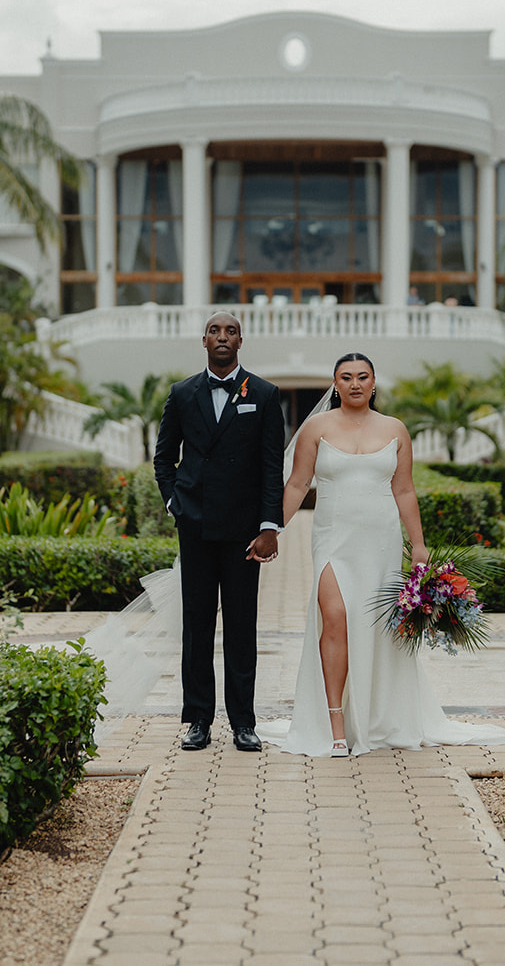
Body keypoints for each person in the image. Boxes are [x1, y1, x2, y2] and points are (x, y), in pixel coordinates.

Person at [257, 354, 505, 758]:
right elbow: (296, 484)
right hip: (331, 538)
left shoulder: (395, 429)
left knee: (378, 628)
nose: (355, 384)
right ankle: (335, 724)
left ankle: (378, 714)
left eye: (362, 377)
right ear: (335, 384)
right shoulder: (316, 427)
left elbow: (404, 490)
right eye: (346, 377)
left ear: (374, 383)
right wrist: (271, 530)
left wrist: (418, 546)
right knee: (334, 617)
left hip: (380, 541)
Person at [152, 312, 285, 752]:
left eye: (230, 331)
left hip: (246, 533)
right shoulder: (182, 393)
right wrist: (175, 502)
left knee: (242, 628)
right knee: (197, 626)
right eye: (215, 331)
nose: (222, 337)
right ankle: (198, 720)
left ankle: (243, 722)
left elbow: (272, 468)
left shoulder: (264, 395)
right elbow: (164, 458)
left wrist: (270, 527)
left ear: (241, 340)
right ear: (203, 340)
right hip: (196, 527)